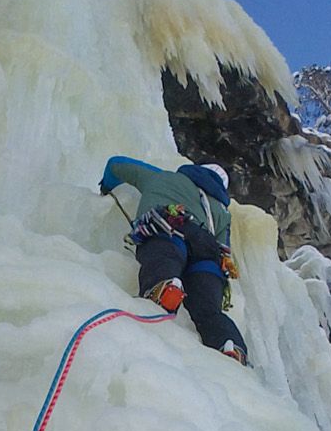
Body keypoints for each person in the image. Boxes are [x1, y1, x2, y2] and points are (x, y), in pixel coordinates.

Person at [97, 156, 248, 364]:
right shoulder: (222, 212)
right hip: (207, 252)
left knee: (166, 256)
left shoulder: (162, 176)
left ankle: (165, 287)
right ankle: (230, 345)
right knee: (209, 311)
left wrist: (107, 186)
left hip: (171, 226)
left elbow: (116, 164)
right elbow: (224, 250)